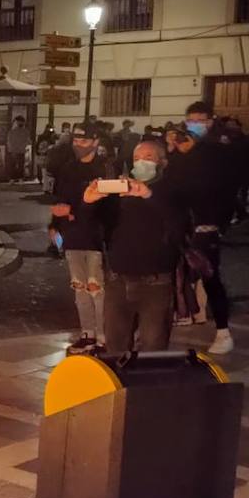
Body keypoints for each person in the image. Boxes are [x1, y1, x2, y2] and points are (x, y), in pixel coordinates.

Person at [85, 139, 186, 353]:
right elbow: (93, 226)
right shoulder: (120, 193)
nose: (141, 163)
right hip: (118, 280)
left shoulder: (171, 190)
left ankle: (146, 385)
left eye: (148, 158)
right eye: (136, 158)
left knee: (153, 346)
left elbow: (179, 224)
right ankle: (119, 385)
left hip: (155, 282)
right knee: (115, 344)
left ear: (163, 163)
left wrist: (148, 195)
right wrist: (89, 202)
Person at [168, 100, 240, 353]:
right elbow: (172, 182)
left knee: (209, 274)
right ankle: (174, 316)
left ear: (210, 121)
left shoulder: (218, 149)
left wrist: (217, 222)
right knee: (170, 274)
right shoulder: (183, 149)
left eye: (200, 120)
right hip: (180, 222)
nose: (194, 125)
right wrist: (174, 152)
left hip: (205, 223)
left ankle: (223, 331)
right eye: (191, 120)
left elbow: (223, 187)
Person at [47, 125, 113, 354]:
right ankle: (88, 333)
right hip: (72, 235)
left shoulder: (104, 168)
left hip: (96, 237)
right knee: (79, 287)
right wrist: (54, 224)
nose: (79, 145)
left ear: (95, 142)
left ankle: (104, 337)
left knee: (97, 287)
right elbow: (59, 198)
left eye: (84, 141)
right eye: (76, 140)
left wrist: (73, 210)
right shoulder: (68, 168)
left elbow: (108, 205)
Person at [5, 116, 31, 182]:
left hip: (14, 151)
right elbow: (27, 141)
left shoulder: (11, 132)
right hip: (20, 151)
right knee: (20, 165)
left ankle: (12, 179)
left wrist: (10, 149)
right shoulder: (25, 132)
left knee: (14, 165)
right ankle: (19, 178)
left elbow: (9, 142)